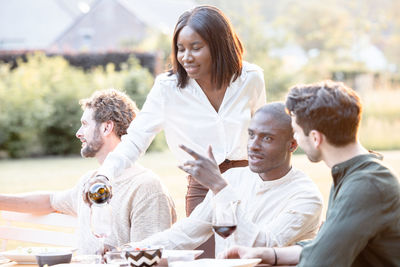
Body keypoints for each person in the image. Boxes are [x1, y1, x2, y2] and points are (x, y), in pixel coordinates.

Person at [85, 5, 266, 257]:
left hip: (248, 184)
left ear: (219, 45)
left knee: (253, 258)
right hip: (203, 189)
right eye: (181, 49)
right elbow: (136, 139)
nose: (186, 57)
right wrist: (104, 175)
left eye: (196, 47)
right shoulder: (168, 88)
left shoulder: (251, 78)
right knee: (208, 261)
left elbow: (263, 134)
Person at [223, 81, 400, 266]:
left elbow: (321, 261)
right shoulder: (353, 175)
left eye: (297, 132)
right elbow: (325, 245)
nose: (296, 139)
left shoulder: (366, 185)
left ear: (315, 138)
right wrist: (267, 254)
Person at [121, 103, 323, 256]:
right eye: (251, 135)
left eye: (267, 138)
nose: (253, 145)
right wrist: (130, 250)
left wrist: (220, 187)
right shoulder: (234, 177)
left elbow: (264, 245)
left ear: (292, 144)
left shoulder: (306, 196)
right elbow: (186, 233)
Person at [0, 89, 176, 254]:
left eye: (85, 124)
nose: (78, 133)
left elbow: (149, 257)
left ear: (107, 128)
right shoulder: (89, 182)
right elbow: (50, 201)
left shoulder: (147, 187)